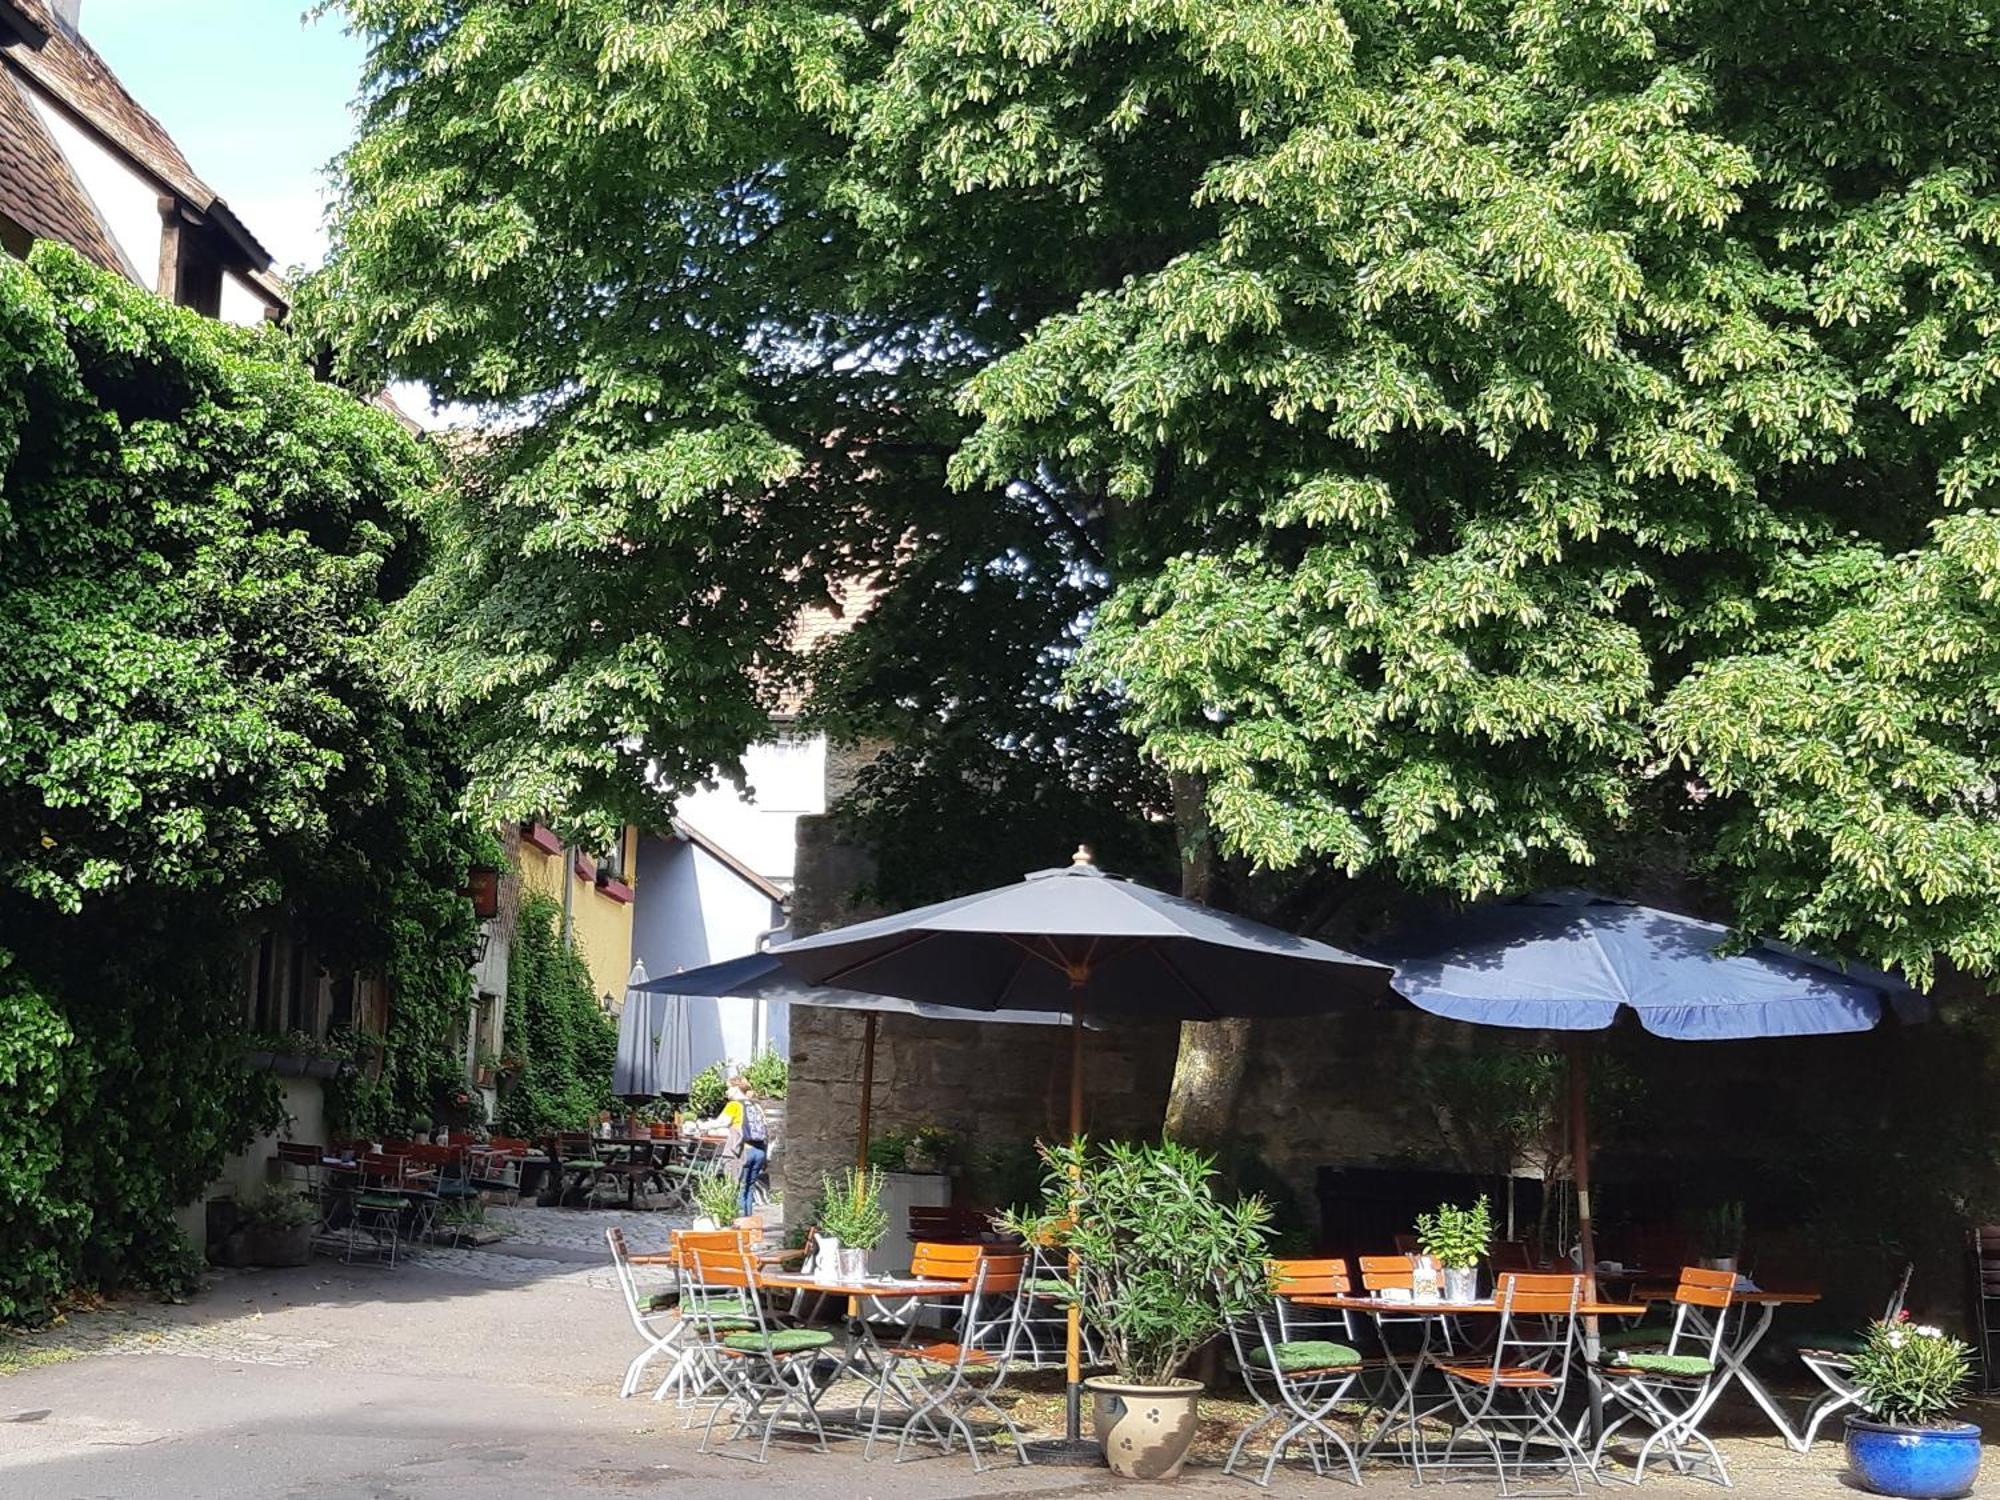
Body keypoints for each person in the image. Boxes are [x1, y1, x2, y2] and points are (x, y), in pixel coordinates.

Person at [728, 1076, 770, 1219]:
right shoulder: (756, 1106)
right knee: (749, 1187)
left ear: (735, 1088)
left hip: (746, 1150)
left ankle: (739, 1222)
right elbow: (766, 1129)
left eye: (728, 1088)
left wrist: (701, 1126)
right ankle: (748, 1220)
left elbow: (721, 1122)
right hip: (759, 1151)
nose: (726, 1092)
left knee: (739, 1185)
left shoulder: (734, 1105)